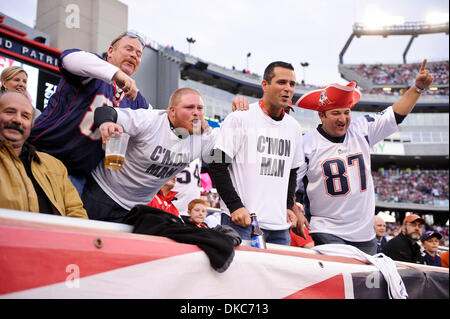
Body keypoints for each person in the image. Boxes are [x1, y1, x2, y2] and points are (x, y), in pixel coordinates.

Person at [295, 59, 434, 255]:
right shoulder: (307, 144)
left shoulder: (361, 129)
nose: (343, 119)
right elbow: (290, 185)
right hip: (327, 229)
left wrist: (417, 89)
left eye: (347, 112)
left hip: (364, 233)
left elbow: (395, 115)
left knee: (363, 283)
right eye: (336, 113)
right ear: (322, 116)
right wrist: (294, 208)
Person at [29, 31, 151, 195]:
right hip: (42, 155)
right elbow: (67, 58)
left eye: (138, 54)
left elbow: (158, 121)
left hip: (79, 174)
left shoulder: (135, 97)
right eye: (128, 49)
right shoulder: (93, 68)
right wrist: (117, 75)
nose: (134, 55)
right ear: (110, 51)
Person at [209, 61, 309, 246]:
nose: (288, 88)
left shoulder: (294, 127)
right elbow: (216, 164)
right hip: (242, 222)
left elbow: (292, 172)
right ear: (265, 85)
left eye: (292, 84)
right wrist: (235, 206)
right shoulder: (240, 117)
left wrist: (288, 206)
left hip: (280, 226)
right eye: (281, 82)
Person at [82, 87, 217, 222]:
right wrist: (107, 123)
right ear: (172, 112)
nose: (196, 113)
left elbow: (227, 156)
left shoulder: (204, 138)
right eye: (189, 107)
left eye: (200, 108)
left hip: (137, 207)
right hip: (102, 192)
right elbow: (105, 111)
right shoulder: (151, 121)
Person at [0, 91, 87, 218]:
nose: (17, 120)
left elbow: (76, 213)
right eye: (10, 112)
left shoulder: (55, 165)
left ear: (31, 125)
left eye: (25, 116)